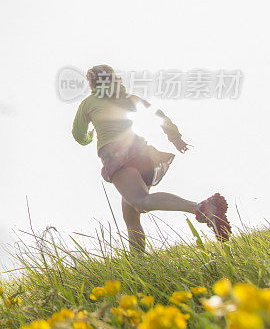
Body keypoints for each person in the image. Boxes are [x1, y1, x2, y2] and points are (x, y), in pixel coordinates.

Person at [72, 65, 231, 253]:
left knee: (140, 201)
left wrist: (90, 137)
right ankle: (138, 266)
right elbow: (158, 114)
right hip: (142, 154)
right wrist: (175, 137)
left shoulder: (89, 103)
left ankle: (201, 208)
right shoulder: (129, 97)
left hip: (118, 158)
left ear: (91, 83)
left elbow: (78, 135)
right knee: (131, 216)